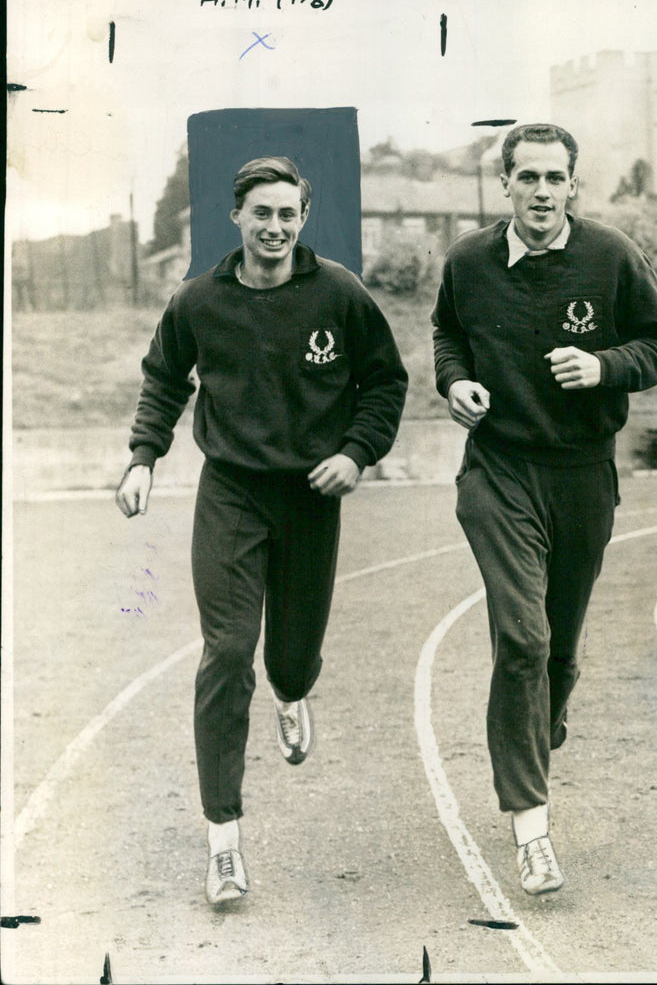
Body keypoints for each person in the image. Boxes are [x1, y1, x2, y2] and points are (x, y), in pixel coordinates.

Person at [116, 155, 407, 905]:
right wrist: (144, 458)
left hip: (313, 495)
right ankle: (223, 841)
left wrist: (355, 453)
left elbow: (384, 381)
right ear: (236, 218)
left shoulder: (340, 293)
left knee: (292, 654)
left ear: (302, 220)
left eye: (288, 214)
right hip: (233, 494)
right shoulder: (197, 301)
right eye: (261, 214)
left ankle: (293, 690)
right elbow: (164, 378)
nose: (274, 227)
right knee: (227, 650)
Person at [431, 124, 657, 897]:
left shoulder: (609, 256)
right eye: (527, 177)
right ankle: (531, 828)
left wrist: (603, 365)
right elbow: (447, 332)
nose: (542, 191)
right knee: (523, 638)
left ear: (573, 186)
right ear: (504, 185)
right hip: (500, 472)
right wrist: (455, 383)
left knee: (559, 651)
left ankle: (537, 731)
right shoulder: (469, 262)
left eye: (555, 177)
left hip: (581, 476)